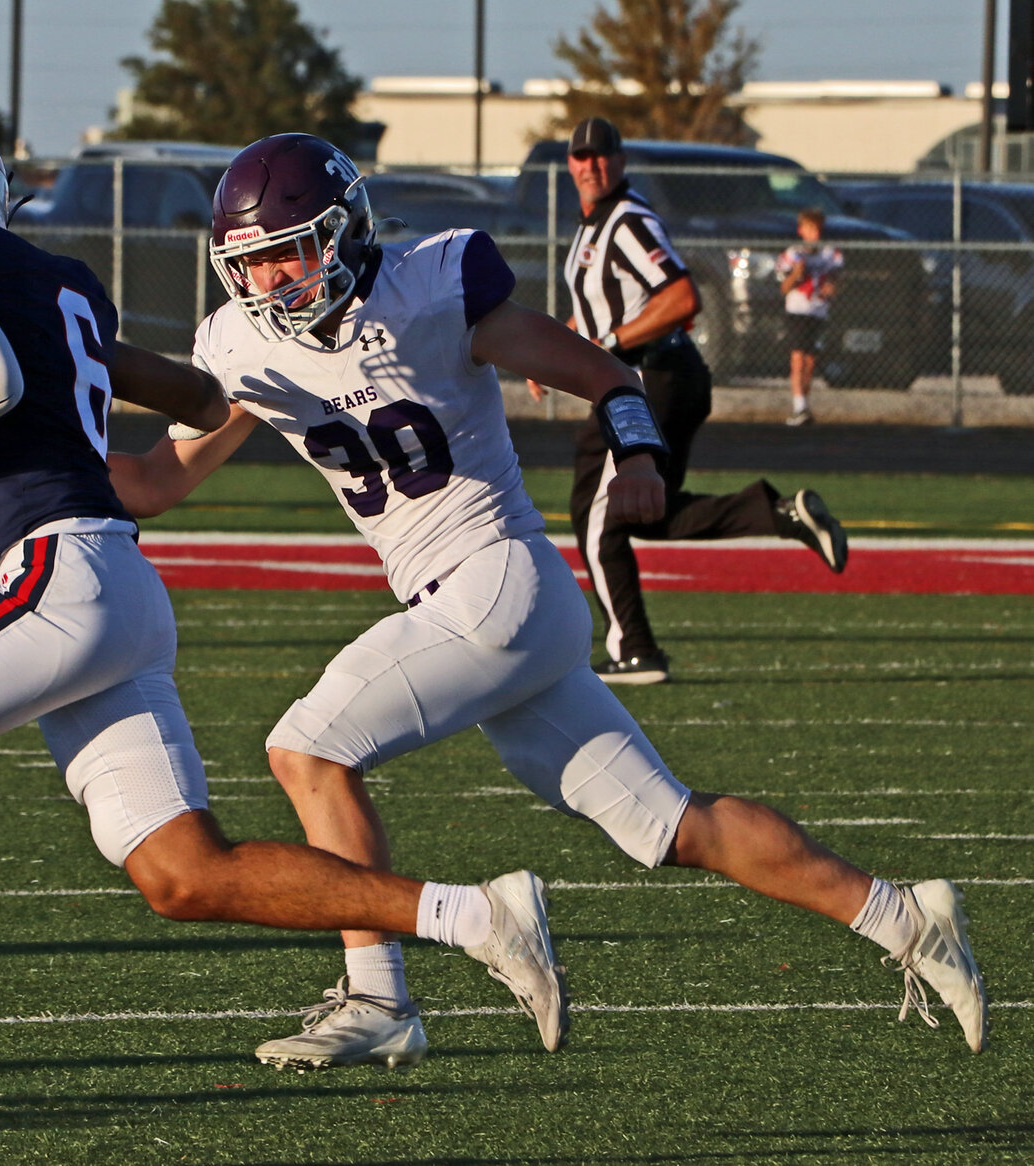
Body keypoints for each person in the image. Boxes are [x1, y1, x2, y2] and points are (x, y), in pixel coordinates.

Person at [0, 112, 564, 1121]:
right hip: (121, 583)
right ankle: (473, 912)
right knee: (185, 872)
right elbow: (199, 394)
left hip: (54, 575)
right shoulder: (57, 279)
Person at [107, 131, 986, 1073]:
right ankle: (905, 916)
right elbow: (156, 482)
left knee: (308, 751)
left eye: (290, 249)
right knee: (674, 825)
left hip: (494, 581)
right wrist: (11, 466)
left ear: (347, 231)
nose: (274, 279)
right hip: (497, 611)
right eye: (251, 262)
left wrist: (642, 459)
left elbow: (607, 374)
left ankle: (380, 999)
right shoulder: (242, 345)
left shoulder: (432, 287)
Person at [538, 118, 847, 685]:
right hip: (648, 378)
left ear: (620, 160)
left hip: (650, 379)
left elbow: (681, 297)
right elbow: (608, 307)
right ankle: (779, 513)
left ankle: (635, 650)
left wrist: (602, 347)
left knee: (599, 515)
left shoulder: (628, 219)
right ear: (570, 165)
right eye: (580, 157)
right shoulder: (592, 226)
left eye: (601, 155)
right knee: (644, 511)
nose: (591, 165)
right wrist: (562, 344)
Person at [779, 207, 843, 426]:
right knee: (797, 358)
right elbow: (784, 288)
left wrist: (832, 287)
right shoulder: (793, 254)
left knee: (811, 360)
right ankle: (799, 406)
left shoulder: (830, 254)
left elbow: (836, 280)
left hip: (818, 310)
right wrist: (797, 272)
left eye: (817, 229)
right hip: (797, 310)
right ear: (801, 230)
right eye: (809, 229)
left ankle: (805, 404)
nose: (814, 234)